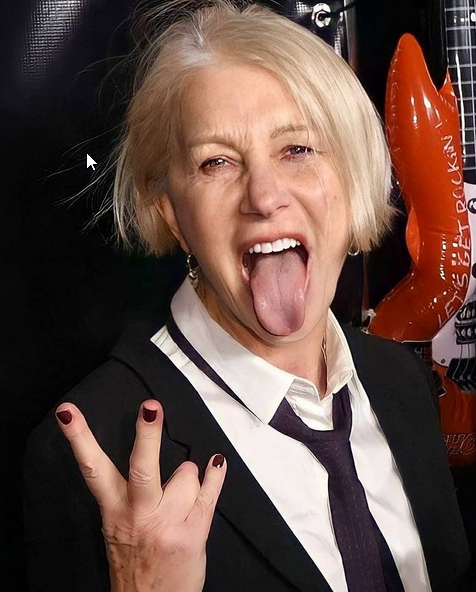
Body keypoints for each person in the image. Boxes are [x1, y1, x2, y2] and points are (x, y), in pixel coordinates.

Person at [24, 1, 471, 591]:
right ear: (171, 212)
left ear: (353, 175)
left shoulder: (403, 382)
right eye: (216, 162)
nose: (263, 196)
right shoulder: (94, 449)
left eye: (297, 149)